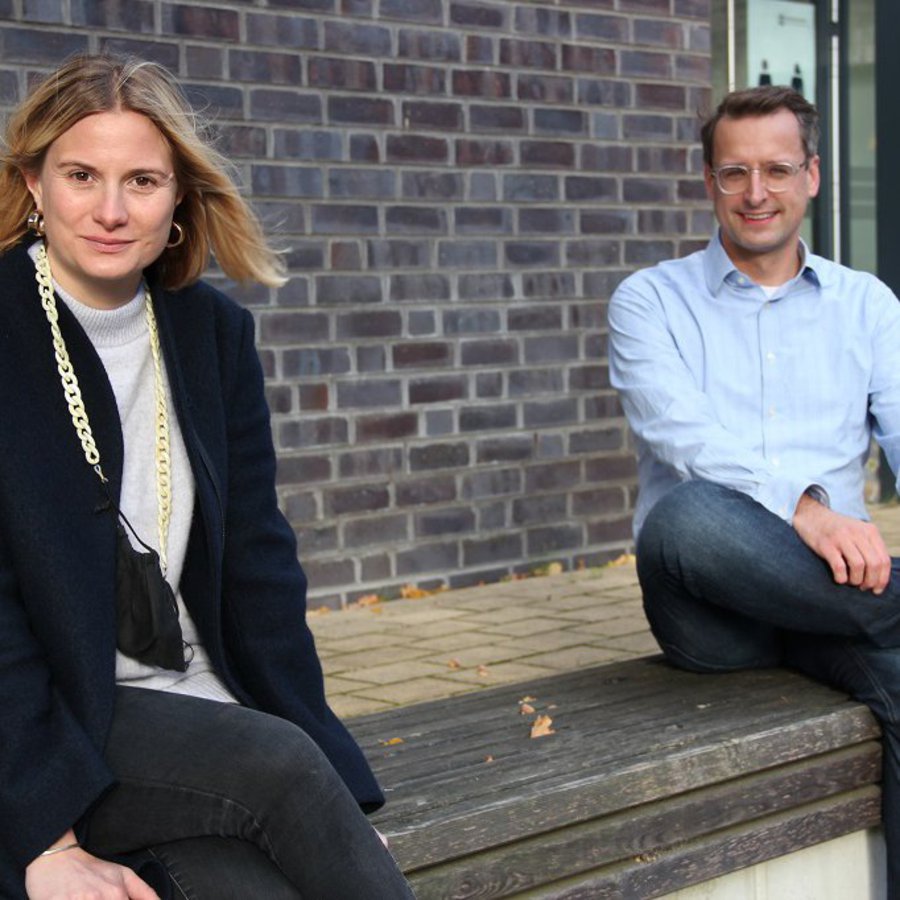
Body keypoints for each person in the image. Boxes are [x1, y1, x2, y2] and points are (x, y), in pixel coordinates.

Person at [0, 53, 414, 900]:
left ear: (180, 198)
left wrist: (334, 784)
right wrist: (45, 838)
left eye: (142, 181)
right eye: (81, 175)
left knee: (243, 880)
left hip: (192, 718)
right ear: (34, 185)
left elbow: (261, 567)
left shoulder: (209, 332)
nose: (111, 211)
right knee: (277, 762)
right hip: (44, 729)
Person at [609, 84, 900, 898]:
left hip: (834, 603)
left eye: (776, 170)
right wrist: (806, 510)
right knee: (686, 514)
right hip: (714, 610)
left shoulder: (868, 306)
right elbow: (684, 439)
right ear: (709, 182)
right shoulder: (650, 301)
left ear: (812, 175)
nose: (756, 193)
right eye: (734, 173)